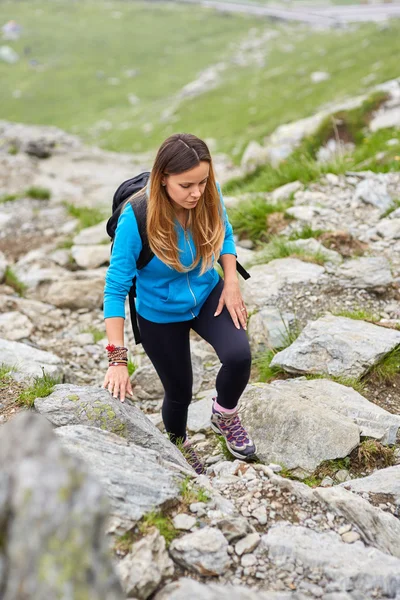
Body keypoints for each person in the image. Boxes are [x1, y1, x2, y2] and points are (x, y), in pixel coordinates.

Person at [103, 133, 256, 473]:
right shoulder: (136, 218)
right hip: (159, 313)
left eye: (203, 182)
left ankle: (224, 415)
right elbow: (114, 289)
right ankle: (178, 443)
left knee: (239, 356)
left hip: (207, 292)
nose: (197, 193)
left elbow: (225, 233)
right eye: (186, 185)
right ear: (163, 180)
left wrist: (231, 282)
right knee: (179, 392)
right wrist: (117, 358)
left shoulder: (207, 195)